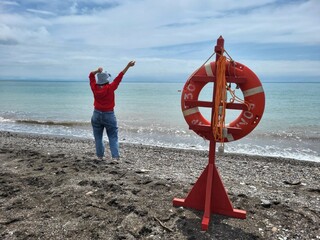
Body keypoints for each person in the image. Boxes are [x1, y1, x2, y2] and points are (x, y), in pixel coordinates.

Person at [89, 60, 135, 160]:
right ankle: (115, 157)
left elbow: (90, 76)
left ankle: (100, 157)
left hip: (96, 114)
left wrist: (97, 71)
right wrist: (128, 66)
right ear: (107, 80)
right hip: (109, 114)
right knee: (113, 137)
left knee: (98, 138)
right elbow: (120, 77)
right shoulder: (110, 88)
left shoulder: (94, 87)